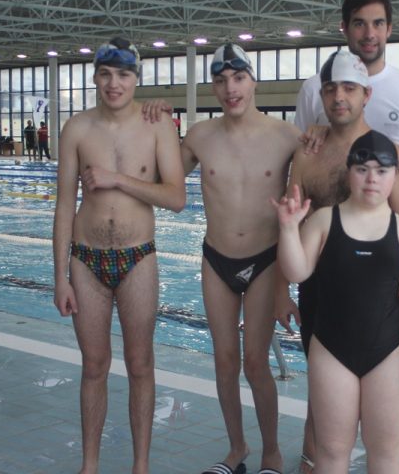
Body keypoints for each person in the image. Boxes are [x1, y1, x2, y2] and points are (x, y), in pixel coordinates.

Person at [278, 50, 399, 474]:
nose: (340, 97)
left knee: (387, 419)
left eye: (349, 88)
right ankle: (311, 462)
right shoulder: (308, 152)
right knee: (324, 404)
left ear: (366, 93)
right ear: (321, 94)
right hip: (321, 293)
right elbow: (291, 223)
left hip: (381, 300)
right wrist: (281, 291)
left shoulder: (391, 154)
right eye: (332, 88)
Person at [52, 37, 186, 474]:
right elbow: (62, 205)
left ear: (136, 79)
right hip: (85, 260)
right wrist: (59, 277)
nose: (114, 83)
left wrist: (117, 179)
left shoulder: (158, 124)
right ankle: (89, 466)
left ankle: (140, 466)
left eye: (124, 74)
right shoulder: (76, 128)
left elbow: (177, 197)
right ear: (95, 77)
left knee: (140, 364)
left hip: (138, 257)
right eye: (106, 74)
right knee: (94, 365)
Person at [180, 43, 300, 474]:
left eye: (238, 78)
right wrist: (153, 126)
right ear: (213, 86)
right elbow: (163, 178)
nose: (230, 88)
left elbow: (316, 177)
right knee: (224, 360)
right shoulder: (199, 136)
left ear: (253, 81)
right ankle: (237, 450)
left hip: (266, 259)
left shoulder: (286, 135)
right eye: (220, 80)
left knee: (255, 362)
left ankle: (271, 451)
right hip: (217, 258)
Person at [295, 0, 399, 148]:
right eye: (359, 24)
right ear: (345, 28)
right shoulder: (313, 88)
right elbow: (301, 154)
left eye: (378, 24)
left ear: (389, 29)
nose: (369, 34)